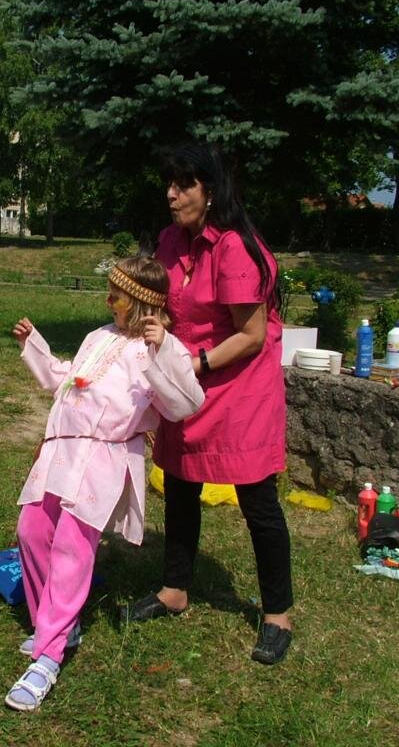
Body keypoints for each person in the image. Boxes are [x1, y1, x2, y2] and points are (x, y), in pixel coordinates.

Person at [5, 256, 204, 712]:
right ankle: (56, 622)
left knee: (72, 548)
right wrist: (35, 346)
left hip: (103, 459)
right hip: (62, 451)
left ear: (141, 302)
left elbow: (185, 403)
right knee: (31, 531)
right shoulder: (98, 336)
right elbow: (68, 380)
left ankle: (48, 656)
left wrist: (163, 350)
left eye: (117, 296)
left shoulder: (158, 348)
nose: (108, 301)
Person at [124, 142, 294, 667]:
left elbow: (251, 335)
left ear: (212, 191)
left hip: (238, 386)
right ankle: (175, 589)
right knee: (179, 483)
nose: (171, 195)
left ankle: (277, 614)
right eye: (169, 184)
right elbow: (163, 305)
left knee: (257, 500)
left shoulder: (235, 247)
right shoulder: (170, 241)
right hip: (187, 381)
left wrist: (191, 364)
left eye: (184, 186)